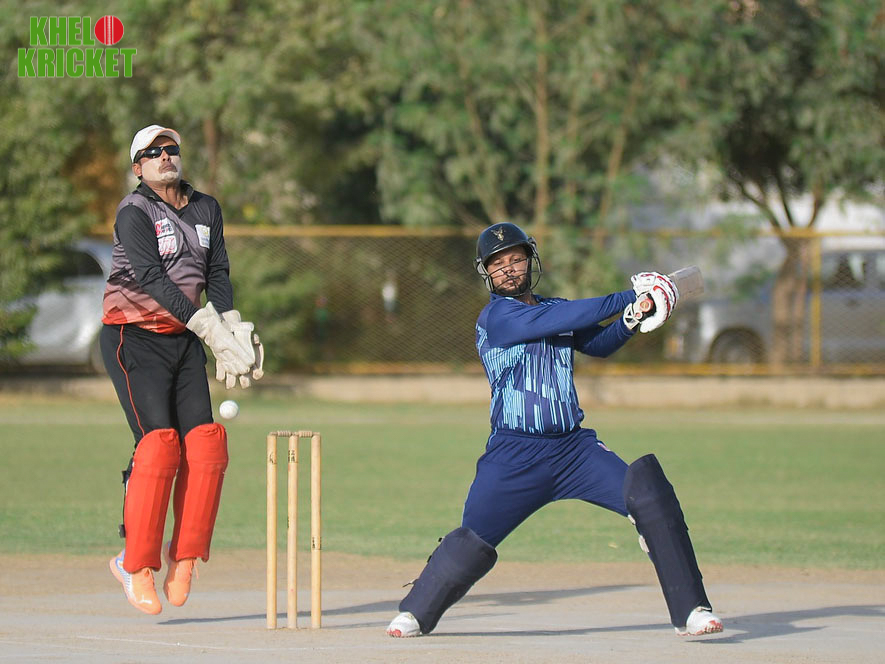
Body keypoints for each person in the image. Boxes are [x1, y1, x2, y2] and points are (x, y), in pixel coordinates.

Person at [386, 222, 723, 638]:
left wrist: (633, 316)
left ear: (530, 261)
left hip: (574, 452)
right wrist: (630, 295)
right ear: (486, 272)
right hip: (514, 455)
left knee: (651, 497)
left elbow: (598, 344)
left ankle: (692, 610)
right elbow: (563, 317)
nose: (508, 269)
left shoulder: (554, 308)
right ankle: (416, 612)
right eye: (497, 264)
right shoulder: (497, 317)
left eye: (515, 259)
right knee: (471, 540)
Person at [101, 124, 264, 615]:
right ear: (138, 168)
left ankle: (186, 557)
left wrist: (230, 324)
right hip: (134, 337)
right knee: (158, 447)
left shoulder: (205, 208)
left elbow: (217, 272)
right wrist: (208, 327)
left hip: (185, 340)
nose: (165, 157)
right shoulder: (134, 211)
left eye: (170, 149)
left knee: (206, 446)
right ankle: (134, 563)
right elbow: (152, 278)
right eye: (153, 153)